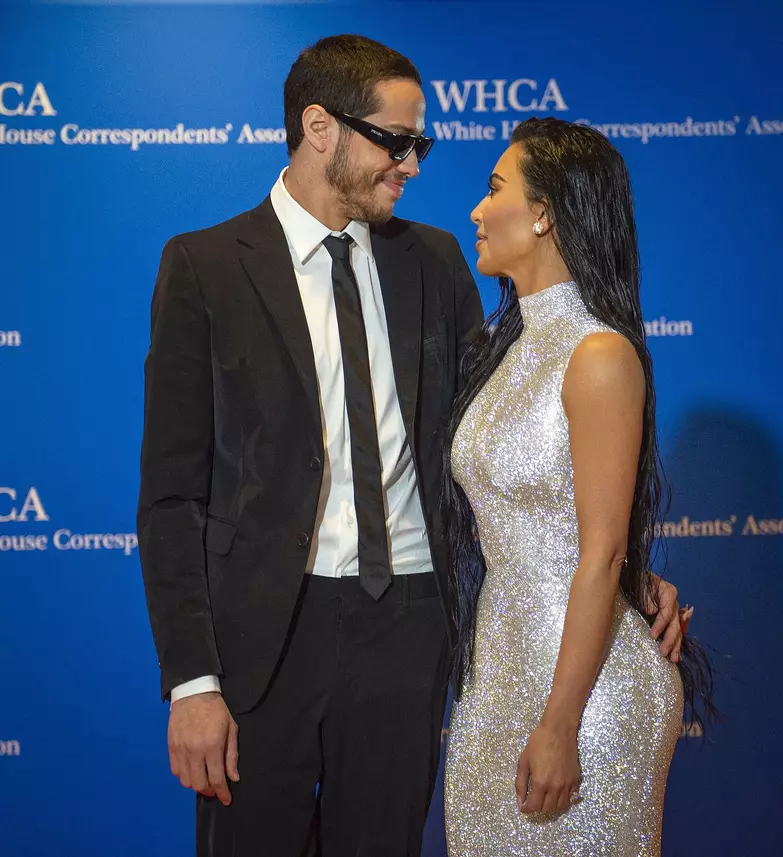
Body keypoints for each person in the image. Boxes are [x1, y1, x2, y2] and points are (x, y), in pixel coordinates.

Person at [137, 35, 688, 857]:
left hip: (409, 630)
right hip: (259, 646)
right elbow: (172, 497)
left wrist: (621, 567)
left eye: (419, 143)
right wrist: (193, 681)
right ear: (320, 129)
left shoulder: (432, 261)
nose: (415, 164)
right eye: (396, 142)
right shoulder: (206, 266)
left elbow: (507, 437)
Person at [444, 117, 703, 856]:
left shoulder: (598, 353)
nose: (475, 210)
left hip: (585, 694)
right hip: (498, 674)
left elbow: (601, 547)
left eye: (494, 189)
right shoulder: (509, 349)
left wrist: (560, 722)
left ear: (544, 212)